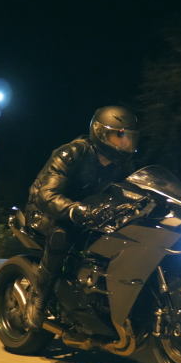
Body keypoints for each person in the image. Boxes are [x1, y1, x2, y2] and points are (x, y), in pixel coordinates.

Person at [23, 105, 139, 330]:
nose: (125, 143)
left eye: (129, 137)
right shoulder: (71, 153)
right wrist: (76, 210)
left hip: (90, 212)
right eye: (119, 136)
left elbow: (134, 189)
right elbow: (46, 195)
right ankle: (38, 297)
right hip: (46, 210)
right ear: (100, 132)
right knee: (62, 235)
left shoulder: (122, 164)